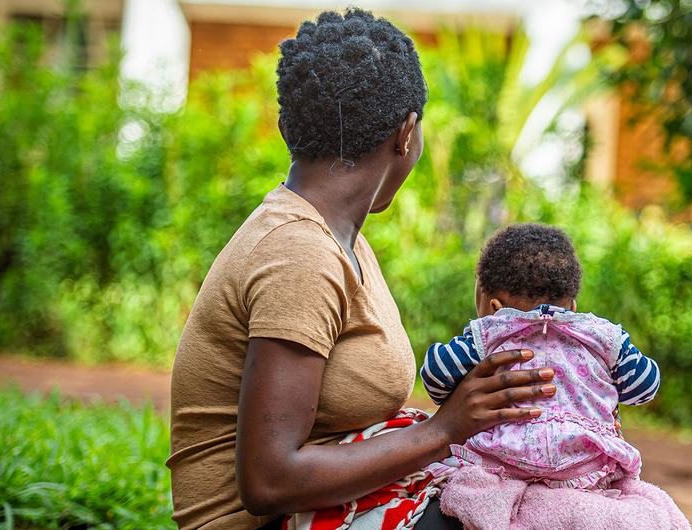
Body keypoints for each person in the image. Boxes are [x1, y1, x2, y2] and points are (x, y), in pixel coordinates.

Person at [166, 9, 554, 529]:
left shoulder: (339, 237)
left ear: (289, 128)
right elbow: (268, 481)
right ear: (406, 133)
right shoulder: (299, 253)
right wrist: (444, 430)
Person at [419, 224, 690, 529]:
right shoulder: (603, 336)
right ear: (573, 305)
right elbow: (646, 385)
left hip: (505, 463)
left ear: (492, 305)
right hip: (585, 470)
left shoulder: (490, 333)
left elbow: (435, 378)